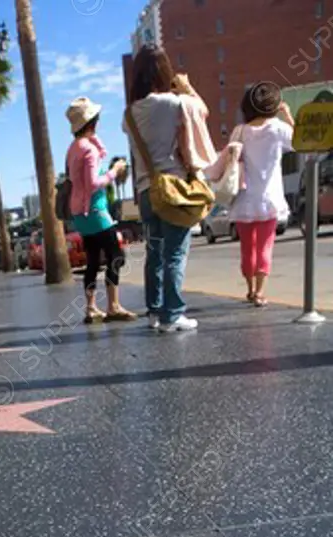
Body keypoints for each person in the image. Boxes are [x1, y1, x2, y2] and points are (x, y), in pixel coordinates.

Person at [123, 45, 198, 333]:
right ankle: (173, 314)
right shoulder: (175, 103)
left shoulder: (129, 114)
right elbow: (193, 130)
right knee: (175, 253)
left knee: (154, 253)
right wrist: (186, 88)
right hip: (173, 186)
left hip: (145, 191)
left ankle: (154, 311)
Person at [66, 98, 136, 325]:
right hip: (95, 211)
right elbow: (93, 183)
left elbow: (100, 154)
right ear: (93, 122)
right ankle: (113, 306)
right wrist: (114, 172)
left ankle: (91, 308)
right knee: (116, 256)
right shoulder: (88, 150)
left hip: (80, 214)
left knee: (94, 260)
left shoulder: (74, 148)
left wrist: (91, 137)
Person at [229, 83, 294, 307]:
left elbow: (230, 158)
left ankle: (249, 290)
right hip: (270, 198)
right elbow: (301, 142)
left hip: (243, 199)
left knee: (247, 248)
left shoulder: (240, 131)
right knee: (265, 246)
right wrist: (287, 115)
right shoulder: (278, 128)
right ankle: (260, 292)